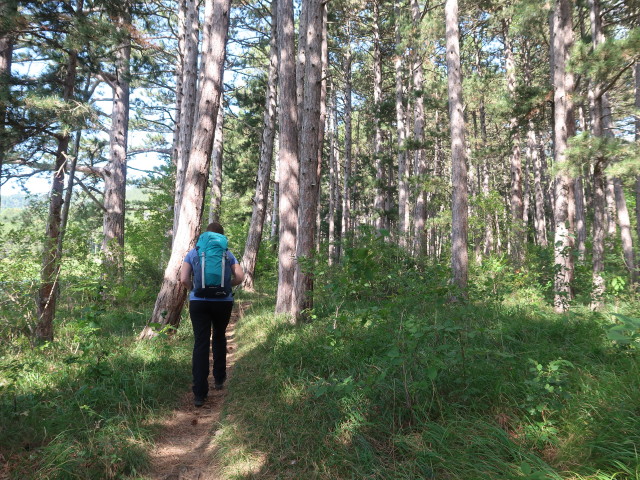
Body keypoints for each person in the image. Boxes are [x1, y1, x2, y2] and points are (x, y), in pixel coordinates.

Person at [180, 221, 245, 407]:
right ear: (222, 237)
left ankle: (199, 393)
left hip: (198, 302)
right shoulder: (227, 254)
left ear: (205, 236)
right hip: (222, 303)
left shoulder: (194, 253)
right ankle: (219, 378)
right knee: (218, 336)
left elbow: (183, 278)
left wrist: (194, 289)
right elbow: (240, 277)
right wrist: (227, 287)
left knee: (200, 342)